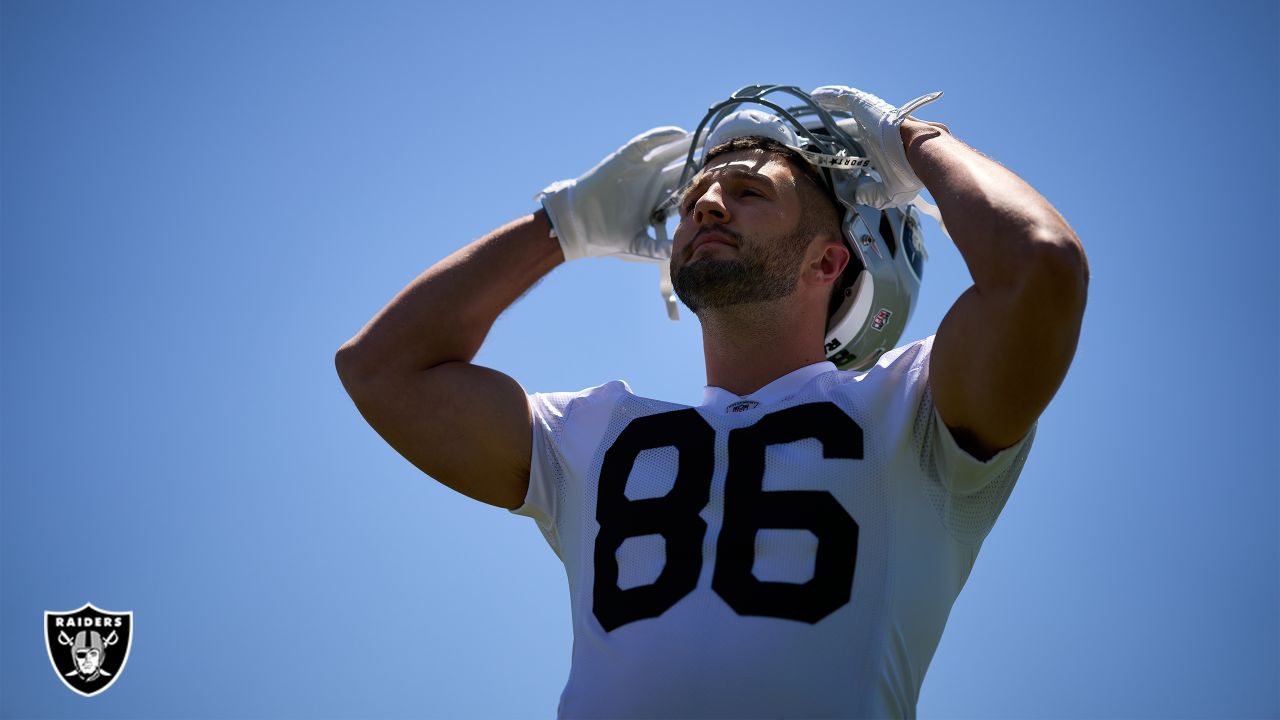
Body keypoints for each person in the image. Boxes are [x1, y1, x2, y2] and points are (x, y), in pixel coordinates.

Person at [335, 84, 1088, 718]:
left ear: (830, 260)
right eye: (698, 195)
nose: (710, 205)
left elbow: (1040, 265)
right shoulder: (592, 434)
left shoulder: (911, 410)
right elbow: (379, 369)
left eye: (750, 191)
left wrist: (915, 141)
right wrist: (559, 227)